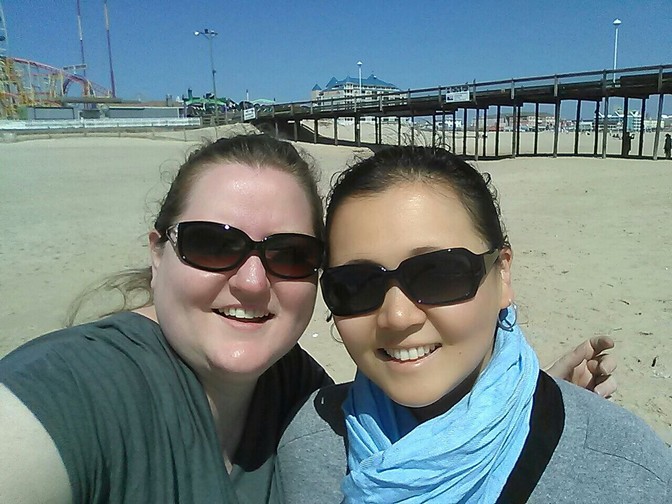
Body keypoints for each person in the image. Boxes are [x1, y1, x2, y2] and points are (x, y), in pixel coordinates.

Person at [0, 135, 617, 504]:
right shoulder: (81, 388)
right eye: (213, 244)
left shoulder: (303, 393)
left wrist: (525, 399)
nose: (249, 281)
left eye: (289, 256)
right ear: (156, 252)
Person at [274, 146, 671, 503]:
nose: (396, 316)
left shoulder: (624, 470)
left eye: (437, 274)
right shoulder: (311, 448)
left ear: (503, 275)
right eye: (356, 285)